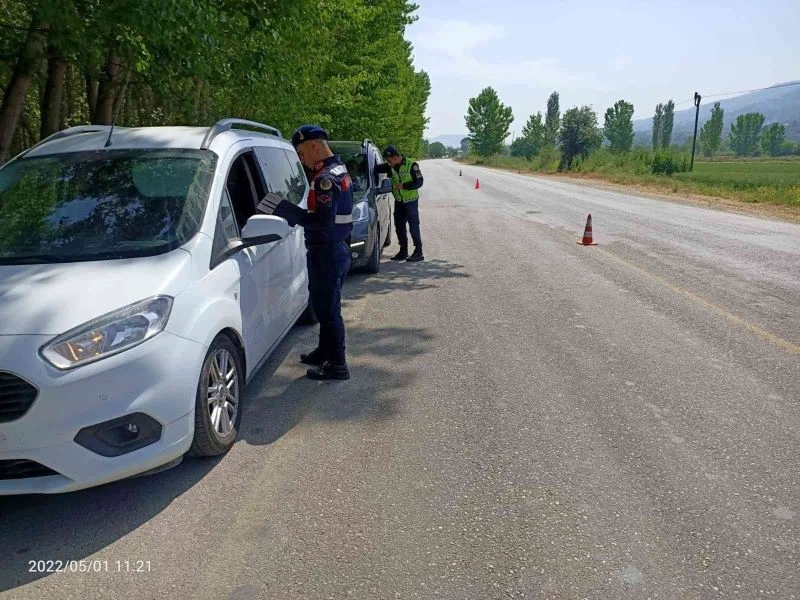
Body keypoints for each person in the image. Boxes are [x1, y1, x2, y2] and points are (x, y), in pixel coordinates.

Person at [257, 124, 353, 380]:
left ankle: (337, 364)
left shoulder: (325, 179)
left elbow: (321, 221)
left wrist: (281, 208)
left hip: (327, 252)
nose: (302, 159)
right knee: (324, 305)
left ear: (313, 146)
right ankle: (324, 351)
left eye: (301, 153)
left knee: (328, 310)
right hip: (336, 248)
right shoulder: (339, 169)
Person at [376, 145, 424, 262]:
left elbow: (419, 182)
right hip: (399, 202)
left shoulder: (412, 165)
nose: (388, 162)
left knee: (414, 227)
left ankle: (418, 252)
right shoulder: (390, 167)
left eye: (389, 160)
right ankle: (403, 251)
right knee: (399, 227)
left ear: (395, 157)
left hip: (410, 201)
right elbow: (375, 169)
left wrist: (404, 186)